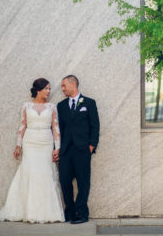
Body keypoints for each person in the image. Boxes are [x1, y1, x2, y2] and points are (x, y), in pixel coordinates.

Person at [0, 78, 64, 223]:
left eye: (50, 89)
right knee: (29, 172)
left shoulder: (52, 107)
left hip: (46, 141)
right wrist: (18, 145)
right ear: (38, 89)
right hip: (30, 142)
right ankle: (26, 210)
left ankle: (47, 212)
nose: (49, 91)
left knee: (45, 173)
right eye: (47, 88)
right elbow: (22, 125)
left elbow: (56, 129)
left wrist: (58, 148)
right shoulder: (26, 106)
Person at [55, 75, 99, 224]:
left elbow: (95, 126)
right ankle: (70, 212)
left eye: (63, 85)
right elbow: (58, 129)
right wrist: (57, 148)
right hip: (66, 151)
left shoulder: (89, 103)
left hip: (82, 150)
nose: (62, 89)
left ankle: (82, 213)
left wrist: (91, 146)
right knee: (65, 181)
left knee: (83, 182)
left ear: (73, 84)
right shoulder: (60, 106)